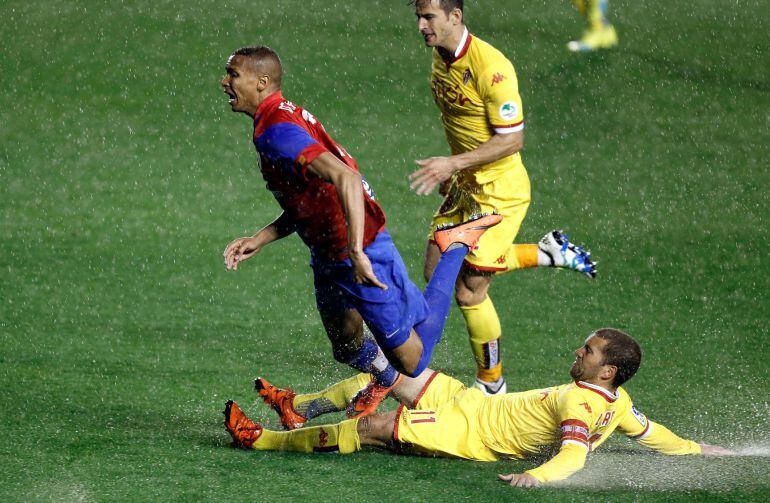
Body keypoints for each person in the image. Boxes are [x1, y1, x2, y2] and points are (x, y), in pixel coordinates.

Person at [220, 45, 502, 419]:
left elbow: (346, 178)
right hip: (327, 251)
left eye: (233, 75)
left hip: (358, 249)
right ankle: (384, 377)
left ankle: (454, 245)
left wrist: (356, 252)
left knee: (413, 360)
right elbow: (312, 195)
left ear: (262, 81)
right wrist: (263, 237)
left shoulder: (276, 131)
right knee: (346, 344)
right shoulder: (278, 118)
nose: (225, 82)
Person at [224, 329, 734, 487]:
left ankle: (264, 440)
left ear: (607, 370)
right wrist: (698, 449)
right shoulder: (617, 402)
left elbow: (575, 454)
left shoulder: (583, 401)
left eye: (589, 352)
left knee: (373, 424)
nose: (578, 352)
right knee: (382, 375)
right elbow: (652, 434)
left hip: (469, 433)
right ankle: (297, 408)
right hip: (473, 403)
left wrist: (540, 477)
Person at [407, 0, 597, 396]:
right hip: (466, 185)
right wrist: (455, 170)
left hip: (499, 193)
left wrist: (453, 163)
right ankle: (547, 254)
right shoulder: (441, 56)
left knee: (469, 289)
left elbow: (512, 140)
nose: (422, 26)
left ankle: (492, 382)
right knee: (435, 270)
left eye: (429, 18)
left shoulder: (492, 68)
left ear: (454, 17)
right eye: (419, 18)